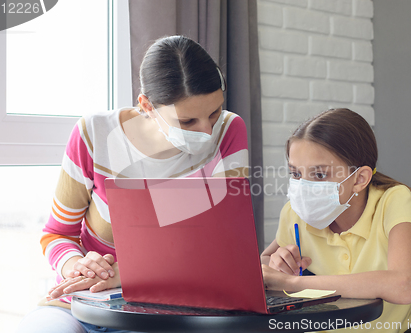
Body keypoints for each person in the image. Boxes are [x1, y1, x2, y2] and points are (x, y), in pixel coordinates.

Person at [16, 35, 249, 333]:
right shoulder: (94, 134)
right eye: (188, 121)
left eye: (214, 112)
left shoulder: (229, 130)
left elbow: (225, 247)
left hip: (173, 308)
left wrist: (128, 274)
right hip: (85, 302)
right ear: (147, 106)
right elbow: (57, 234)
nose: (207, 131)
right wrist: (79, 266)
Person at [261, 108, 411, 332]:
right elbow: (264, 262)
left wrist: (292, 284)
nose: (303, 187)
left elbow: (402, 286)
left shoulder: (393, 200)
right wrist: (277, 264)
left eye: (319, 174)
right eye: (296, 174)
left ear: (359, 178)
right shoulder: (294, 213)